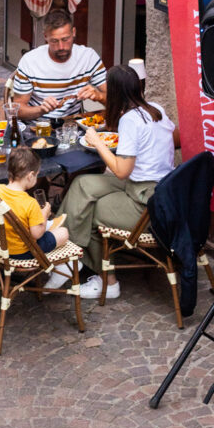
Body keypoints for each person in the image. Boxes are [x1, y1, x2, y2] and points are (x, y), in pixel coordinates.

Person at [56, 64, 176, 298]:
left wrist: (97, 141)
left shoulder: (130, 120)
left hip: (145, 201)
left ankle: (107, 282)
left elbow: (121, 171)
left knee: (86, 209)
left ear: (116, 93)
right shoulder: (155, 109)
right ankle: (67, 254)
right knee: (82, 184)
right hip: (157, 187)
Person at [12, 8, 107, 123]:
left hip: (72, 125)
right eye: (54, 41)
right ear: (45, 36)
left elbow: (116, 100)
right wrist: (41, 109)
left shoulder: (88, 57)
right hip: (36, 127)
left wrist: (99, 96)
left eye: (65, 39)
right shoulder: (30, 62)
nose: (61, 46)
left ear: (74, 32)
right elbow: (17, 110)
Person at [0, 147, 70, 259]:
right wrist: (45, 214)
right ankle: (61, 269)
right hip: (21, 251)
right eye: (37, 175)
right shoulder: (30, 203)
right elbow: (37, 234)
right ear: (30, 175)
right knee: (63, 233)